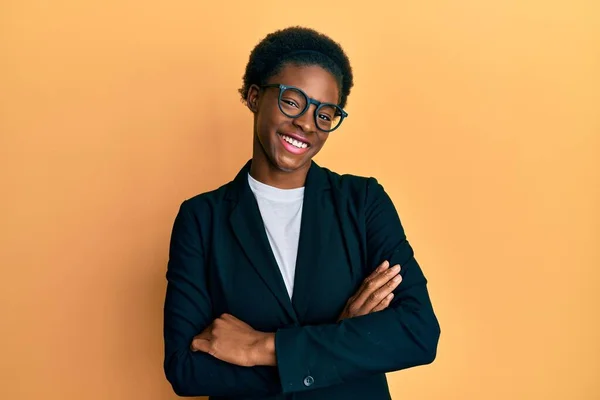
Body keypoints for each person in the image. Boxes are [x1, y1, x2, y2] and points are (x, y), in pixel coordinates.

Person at [163, 26, 440, 400]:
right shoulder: (201, 219)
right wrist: (338, 344)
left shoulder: (363, 202)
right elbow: (186, 369)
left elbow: (418, 332)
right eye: (292, 101)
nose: (307, 124)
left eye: (325, 114)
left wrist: (259, 348)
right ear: (254, 96)